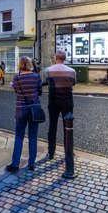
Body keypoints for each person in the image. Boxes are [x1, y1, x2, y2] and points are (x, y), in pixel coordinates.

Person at [6, 56, 42, 173]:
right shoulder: (36, 77)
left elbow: (16, 91)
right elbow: (40, 91)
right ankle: (31, 164)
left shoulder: (17, 78)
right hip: (34, 109)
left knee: (19, 137)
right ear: (30, 64)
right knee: (33, 137)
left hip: (21, 109)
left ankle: (15, 164)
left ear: (20, 65)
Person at [44, 50, 76, 178]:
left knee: (52, 126)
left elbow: (48, 82)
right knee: (68, 128)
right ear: (64, 58)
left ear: (55, 58)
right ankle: (68, 152)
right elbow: (73, 83)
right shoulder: (71, 71)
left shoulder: (49, 70)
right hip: (67, 101)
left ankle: (51, 152)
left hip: (53, 100)